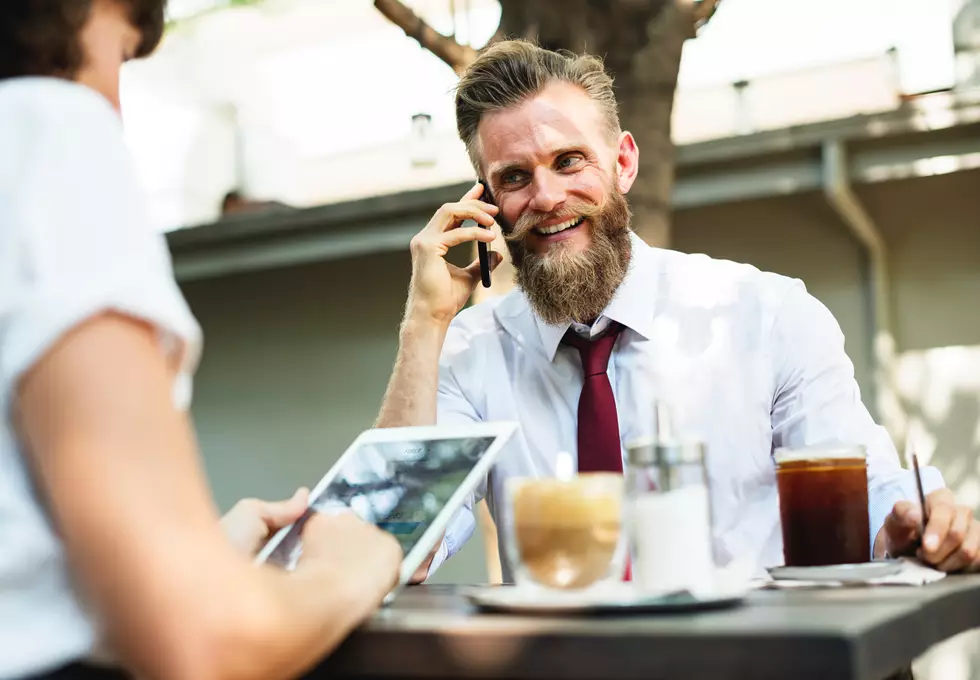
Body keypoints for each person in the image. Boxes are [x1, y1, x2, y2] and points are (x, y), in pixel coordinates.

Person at [378, 39, 980, 581]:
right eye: (513, 177)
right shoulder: (467, 354)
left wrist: (918, 528)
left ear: (624, 163)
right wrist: (421, 326)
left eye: (568, 161)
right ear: (486, 202)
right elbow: (393, 550)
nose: (547, 197)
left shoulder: (767, 315)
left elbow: (868, 498)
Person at [0, 1, 402, 678]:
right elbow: (205, 642)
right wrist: (353, 571)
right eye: (123, 55)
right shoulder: (43, 129)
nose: (116, 107)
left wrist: (198, 554)